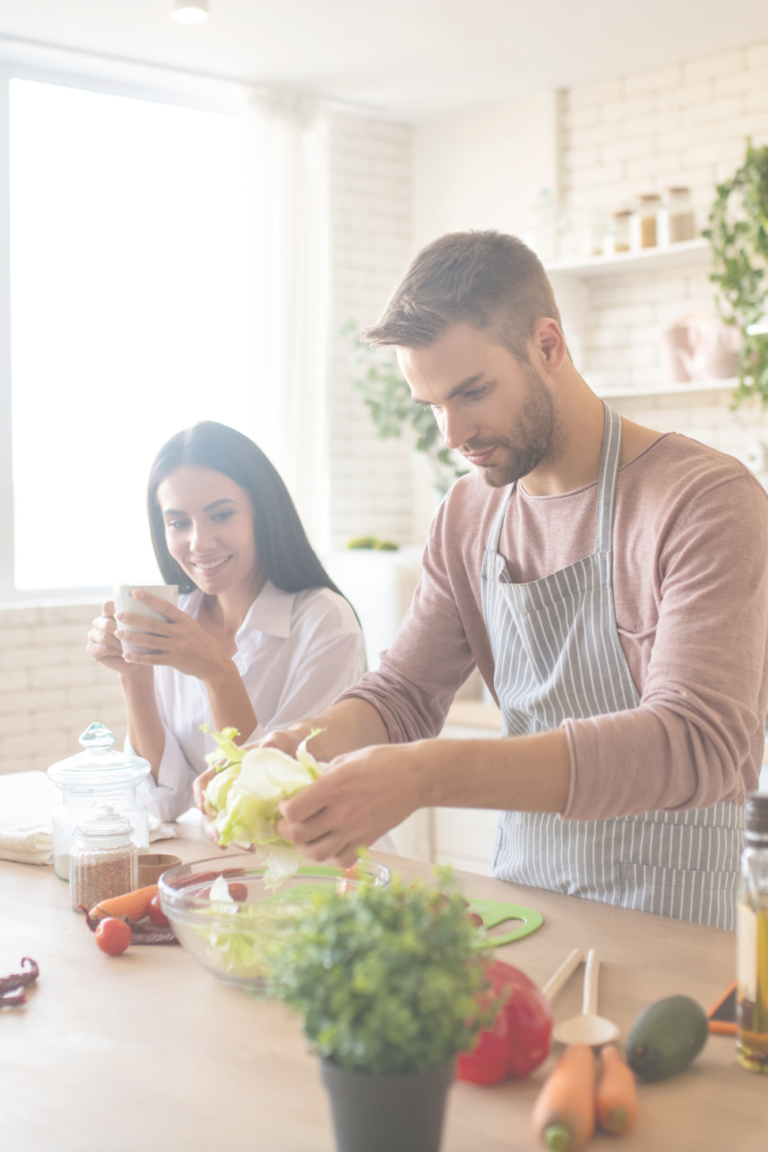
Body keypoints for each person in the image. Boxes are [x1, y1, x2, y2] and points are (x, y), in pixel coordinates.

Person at [195, 232, 768, 931]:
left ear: (548, 346)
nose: (453, 433)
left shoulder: (703, 498)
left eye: (472, 392)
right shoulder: (469, 513)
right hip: (527, 909)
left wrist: (427, 774)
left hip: (681, 926)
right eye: (431, 404)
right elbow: (403, 693)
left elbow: (696, 743)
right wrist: (299, 743)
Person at [87, 421, 365, 822]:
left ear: (262, 513)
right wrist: (134, 675)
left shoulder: (325, 623)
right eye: (179, 522)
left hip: (318, 871)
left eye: (221, 515)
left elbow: (278, 806)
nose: (199, 542)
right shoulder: (176, 619)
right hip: (222, 866)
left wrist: (217, 671)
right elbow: (164, 803)